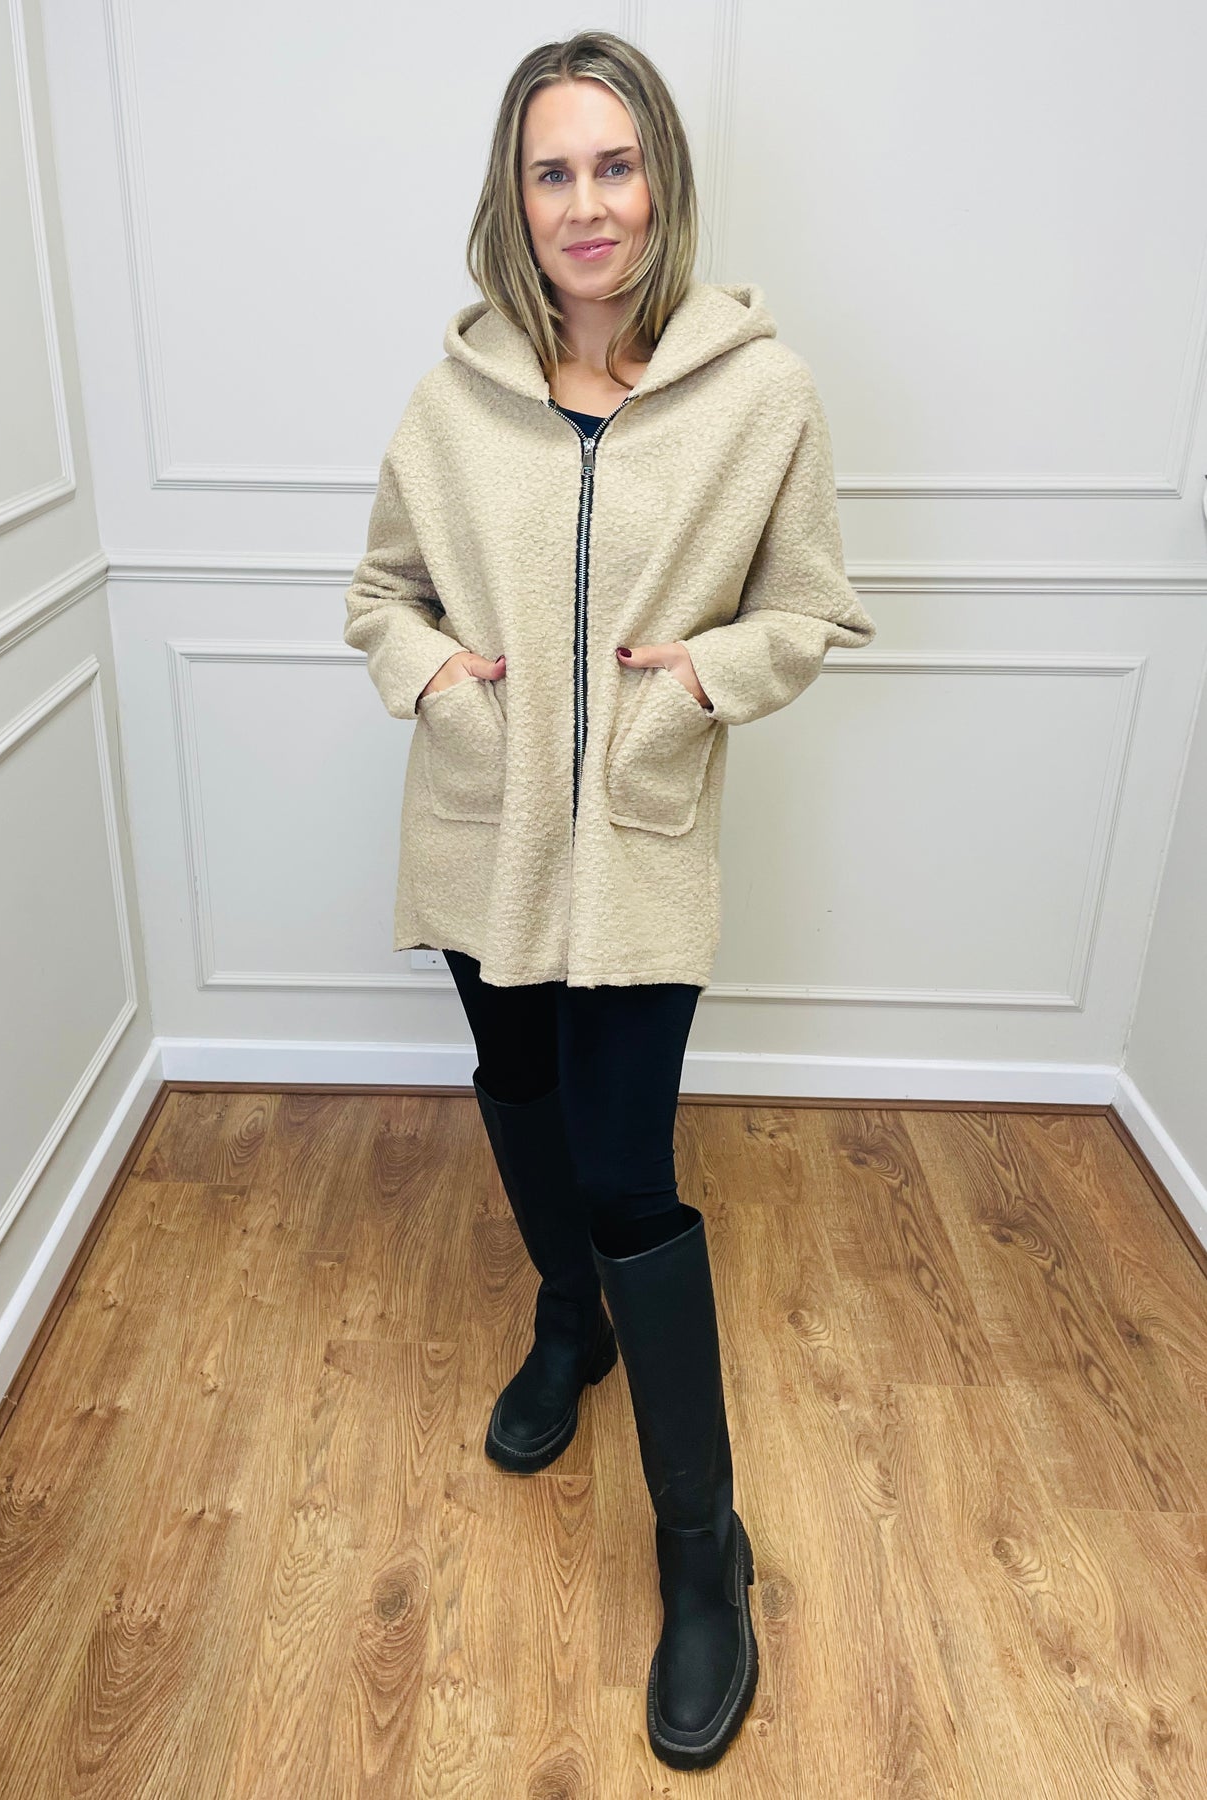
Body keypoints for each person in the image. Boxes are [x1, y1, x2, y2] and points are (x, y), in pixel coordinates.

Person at [343, 29, 876, 1773]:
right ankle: (565, 1321)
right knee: (513, 1088)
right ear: (515, 198)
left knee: (630, 1169)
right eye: (552, 171)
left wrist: (702, 680)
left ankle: (700, 1547)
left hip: (638, 835)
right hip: (481, 825)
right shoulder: (453, 400)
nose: (586, 204)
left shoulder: (758, 397)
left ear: (661, 183)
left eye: (614, 165)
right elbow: (378, 595)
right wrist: (435, 677)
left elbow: (809, 607)